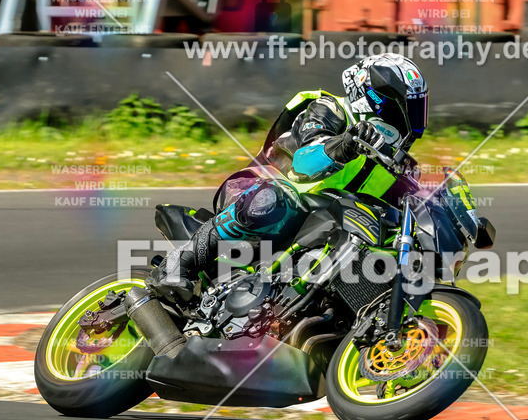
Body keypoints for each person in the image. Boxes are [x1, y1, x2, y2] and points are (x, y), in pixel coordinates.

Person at [172, 53, 428, 283]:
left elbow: (415, 208)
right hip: (255, 196)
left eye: (418, 109)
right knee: (270, 199)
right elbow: (303, 165)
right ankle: (178, 266)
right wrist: (345, 145)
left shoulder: (394, 163)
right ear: (371, 97)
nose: (412, 121)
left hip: (318, 228)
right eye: (404, 110)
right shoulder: (330, 110)